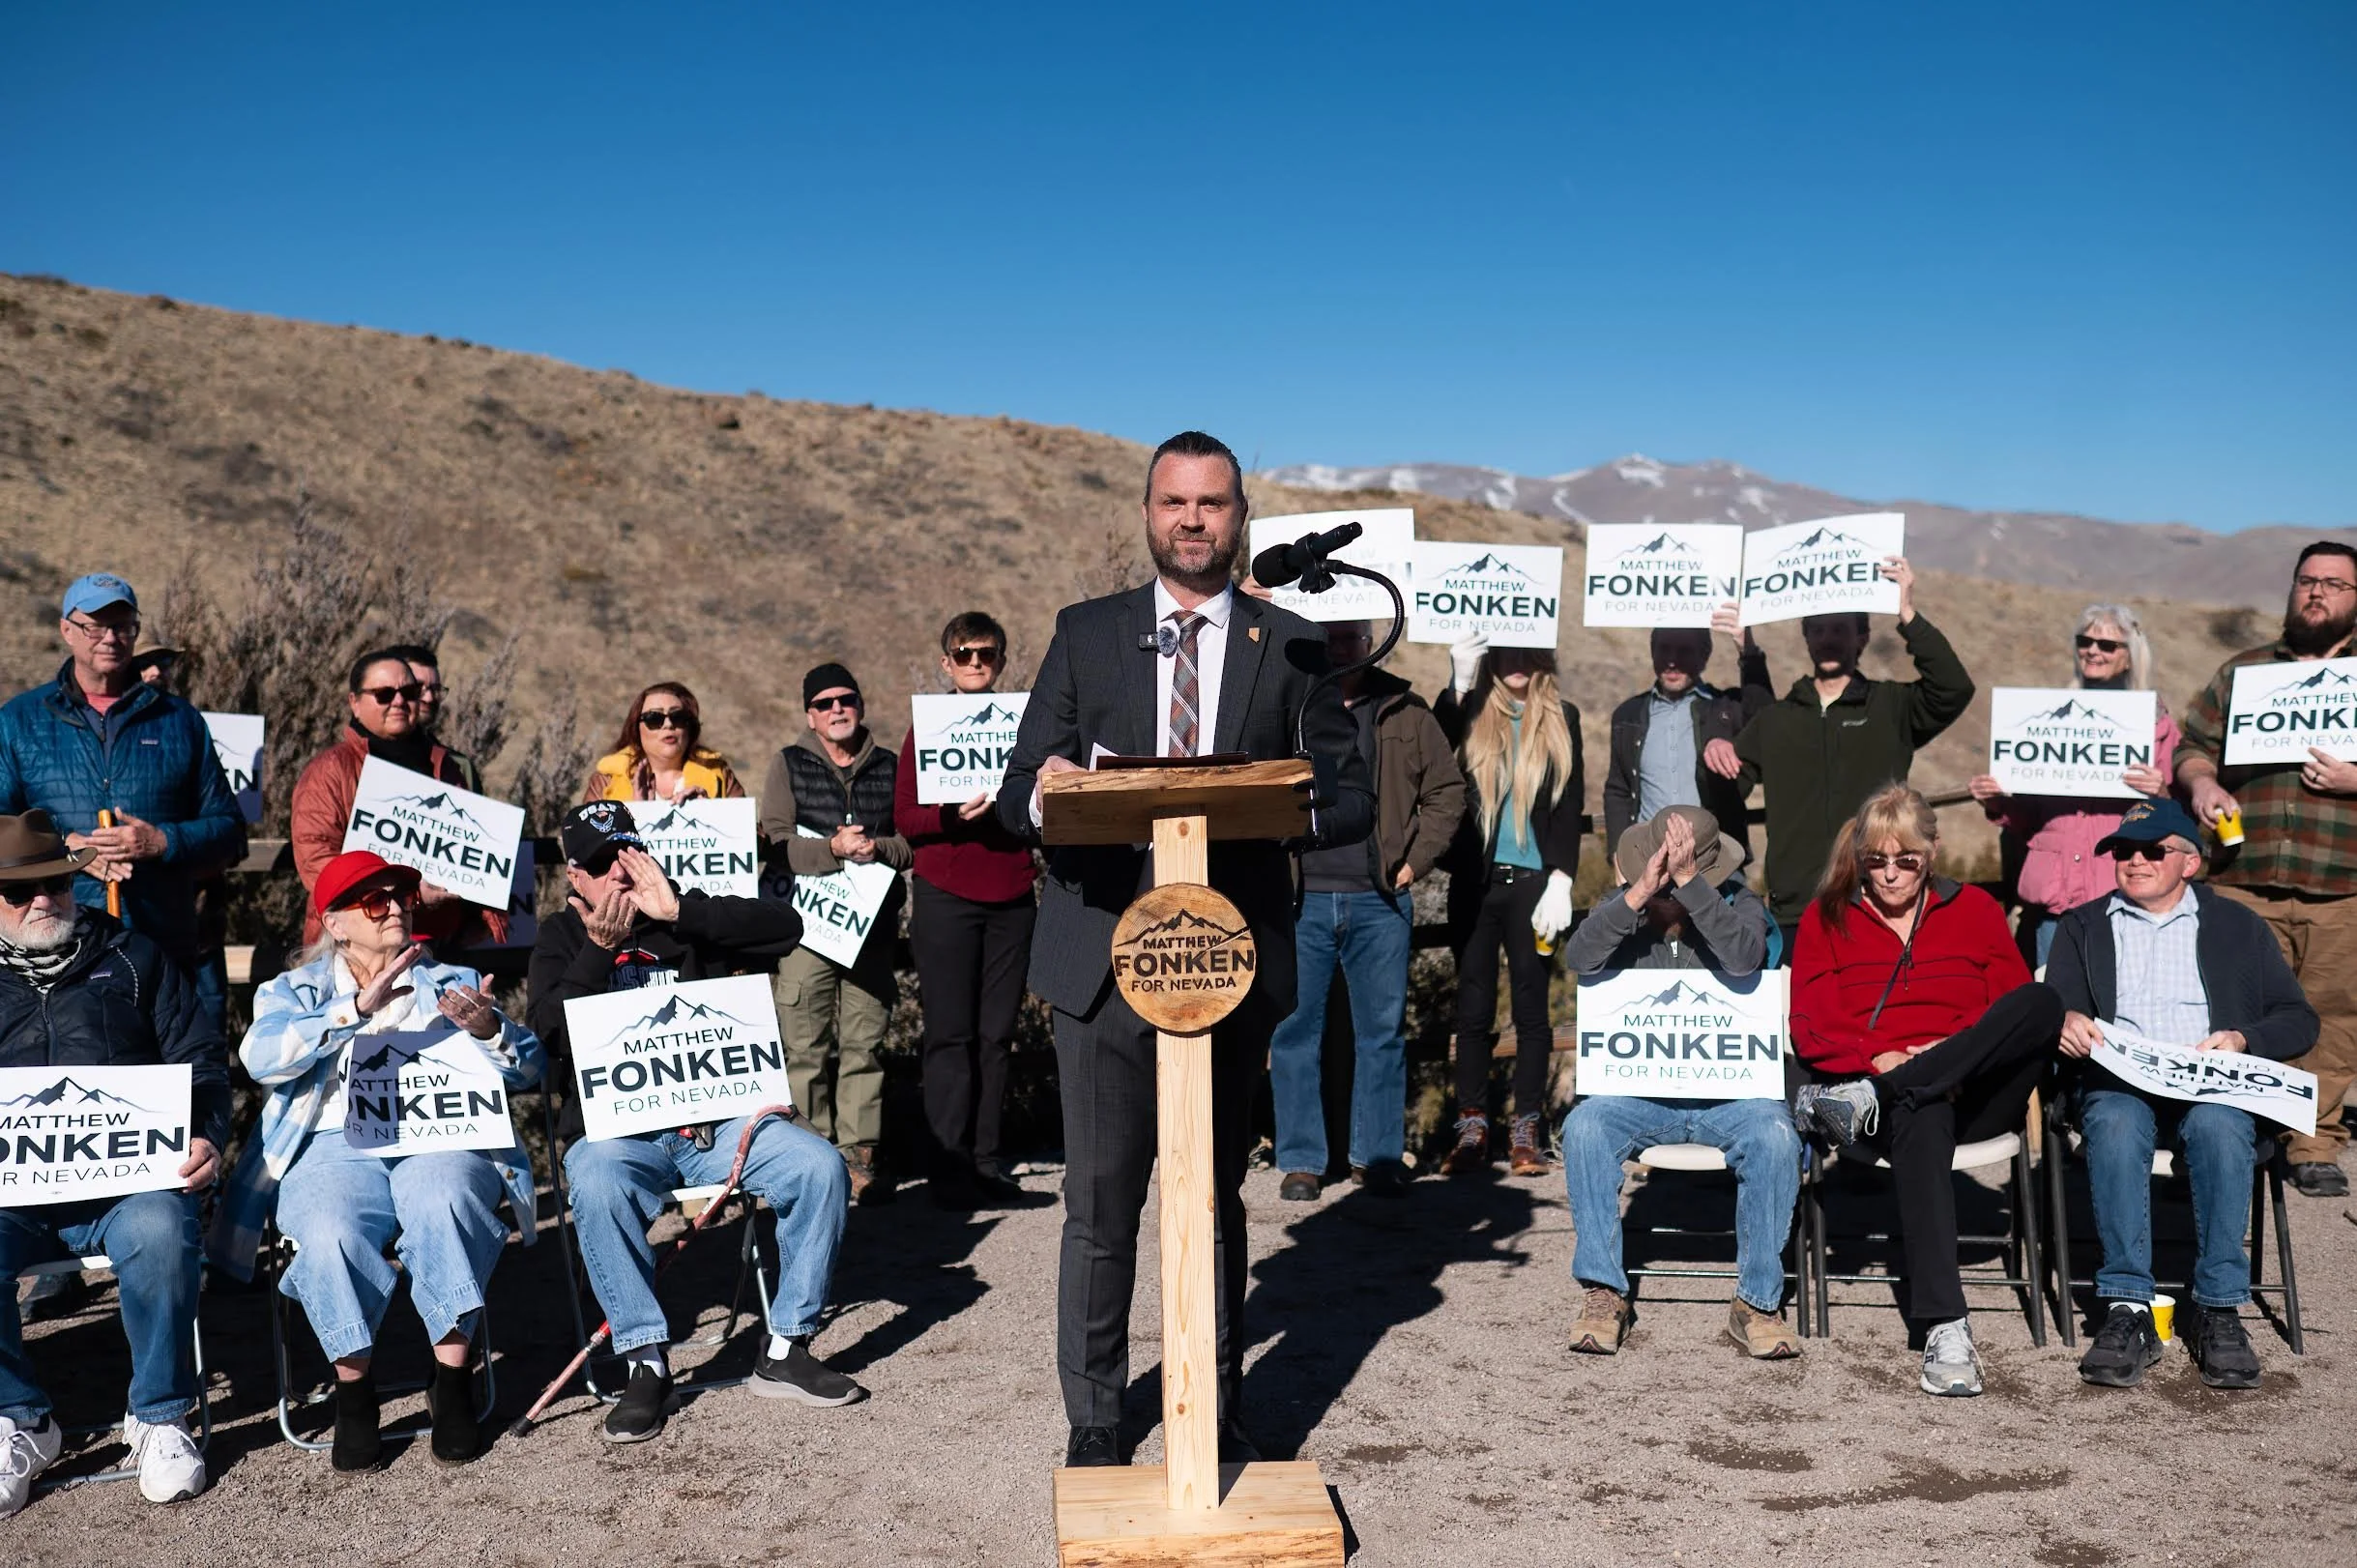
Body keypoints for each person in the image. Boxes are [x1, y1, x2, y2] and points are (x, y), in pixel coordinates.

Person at [997, 429, 1373, 1467]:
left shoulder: (1288, 639)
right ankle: (1096, 1414)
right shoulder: (1085, 632)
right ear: (1147, 511)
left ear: (1239, 515)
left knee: (1208, 1198)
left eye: (1211, 503)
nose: (1192, 520)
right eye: (1174, 502)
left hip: (1223, 958)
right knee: (1101, 1204)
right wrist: (1051, 789)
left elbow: (1345, 799)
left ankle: (1213, 1397)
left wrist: (1271, 806)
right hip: (1101, 958)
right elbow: (1014, 784)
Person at [526, 801, 861, 1443]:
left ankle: (786, 1347)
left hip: (714, 1126)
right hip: (617, 1135)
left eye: (628, 855)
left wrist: (682, 912)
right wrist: (598, 953)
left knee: (818, 1166)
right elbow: (545, 1033)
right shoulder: (559, 937)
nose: (620, 875)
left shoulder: (682, 913)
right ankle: (645, 1361)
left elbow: (785, 928)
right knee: (595, 1183)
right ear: (574, 876)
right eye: (602, 864)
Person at [218, 851, 542, 1470]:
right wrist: (353, 1012)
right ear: (335, 922)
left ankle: (451, 1380)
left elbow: (531, 1069)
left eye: (402, 895)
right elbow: (262, 1057)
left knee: (447, 1198)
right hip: (335, 1143)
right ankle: (354, 1390)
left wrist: (489, 1032)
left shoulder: (451, 980)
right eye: (376, 900)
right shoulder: (291, 990)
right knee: (328, 1228)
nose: (395, 906)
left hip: (436, 1133)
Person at [1789, 785, 2062, 1398]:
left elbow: (2011, 1011)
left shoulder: (1978, 912)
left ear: (1933, 852)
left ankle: (1905, 1083)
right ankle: (1947, 1324)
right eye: (1876, 861)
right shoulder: (1827, 916)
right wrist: (1876, 1058)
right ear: (1859, 858)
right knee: (1922, 1108)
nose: (1889, 875)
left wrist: (1942, 1054)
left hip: (1975, 1091)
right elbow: (1809, 1024)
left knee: (2042, 1002)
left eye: (1905, 860)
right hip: (1885, 1097)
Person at [2046, 798, 2316, 1391]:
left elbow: (2300, 1019)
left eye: (2151, 851)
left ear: (2189, 863)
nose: (2134, 861)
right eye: (2123, 851)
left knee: (2221, 1127)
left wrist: (2244, 1037)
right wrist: (2064, 1019)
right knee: (2115, 1122)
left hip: (2210, 1083)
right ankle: (2126, 1307)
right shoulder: (2083, 926)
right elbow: (2051, 1005)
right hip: (2121, 1080)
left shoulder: (2237, 926)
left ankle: (2219, 1308)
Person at [0, 811, 223, 1513]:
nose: (44, 901)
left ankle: (159, 1415)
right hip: (12, 1193)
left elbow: (201, 1060)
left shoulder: (133, 957)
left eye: (57, 886)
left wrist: (208, 1135)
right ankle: (20, 1419)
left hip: (125, 1188)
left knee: (161, 1229)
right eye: (20, 891)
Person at [1558, 806, 1800, 1358]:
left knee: (1776, 1137)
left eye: (1683, 878)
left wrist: (1693, 889)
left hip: (1732, 1097)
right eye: (1665, 878)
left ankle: (1757, 1302)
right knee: (1586, 1127)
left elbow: (1745, 960)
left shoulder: (1743, 907)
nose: (1670, 892)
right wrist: (1639, 893)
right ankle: (1603, 1291)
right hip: (1641, 1095)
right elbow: (1579, 955)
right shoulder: (1626, 910)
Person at [2175, 541, 2357, 1199]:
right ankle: (2223, 1134)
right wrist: (2199, 785)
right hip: (2242, 877)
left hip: (2342, 883)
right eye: (2307, 580)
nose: (2317, 593)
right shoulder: (2246, 673)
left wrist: (2352, 778)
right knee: (2229, 1009)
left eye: (2334, 584)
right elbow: (2195, 745)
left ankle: (2313, 1142)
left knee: (2333, 1015)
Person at [1264, 618, 1462, 1201]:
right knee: (1294, 1031)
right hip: (1301, 897)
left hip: (1379, 898)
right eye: (1330, 637)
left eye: (1351, 637)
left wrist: (1413, 863)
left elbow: (1447, 792)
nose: (1340, 648)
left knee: (1381, 1035)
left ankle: (1375, 1156)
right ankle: (1302, 1159)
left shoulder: (1405, 712)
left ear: (1370, 643)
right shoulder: (1290, 709)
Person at [0, 573, 247, 1031]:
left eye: (123, 626)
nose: (110, 637)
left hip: (160, 948)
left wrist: (161, 841)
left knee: (169, 1086)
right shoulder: (18, 721)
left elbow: (229, 831)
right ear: (66, 630)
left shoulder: (180, 721)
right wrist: (61, 848)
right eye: (95, 625)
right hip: (52, 953)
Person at [1720, 559, 1974, 953]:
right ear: (1806, 638)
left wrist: (1907, 613)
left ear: (1862, 637)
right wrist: (1716, 747)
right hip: (1795, 911)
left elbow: (1954, 689)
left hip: (1880, 902)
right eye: (1817, 629)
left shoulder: (1892, 707)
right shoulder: (1777, 720)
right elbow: (1723, 790)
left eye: (1840, 629)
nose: (1828, 638)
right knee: (1799, 1016)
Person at [892, 613, 1041, 1209]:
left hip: (1011, 893)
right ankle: (948, 1167)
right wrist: (951, 816)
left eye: (986, 653)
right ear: (945, 662)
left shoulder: (1025, 727)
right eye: (963, 653)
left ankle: (985, 1164)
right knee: (950, 1036)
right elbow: (906, 818)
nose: (975, 662)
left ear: (1002, 660)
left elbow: (1043, 800)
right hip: (946, 895)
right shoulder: (925, 730)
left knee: (996, 1036)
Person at [760, 663, 911, 1203]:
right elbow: (774, 843)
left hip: (870, 930)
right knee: (803, 1045)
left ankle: (859, 1159)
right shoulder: (788, 765)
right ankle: (810, 1159)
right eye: (824, 703)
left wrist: (878, 849)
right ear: (810, 715)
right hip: (806, 930)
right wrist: (831, 850)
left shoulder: (893, 767)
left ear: (861, 705)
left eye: (846, 699)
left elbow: (909, 843)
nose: (837, 708)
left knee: (864, 1044)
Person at [1435, 634, 1584, 1177]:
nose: (1517, 664)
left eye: (1529, 653)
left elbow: (1570, 804)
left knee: (1531, 1011)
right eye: (1507, 653)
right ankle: (1472, 1129)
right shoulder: (1470, 707)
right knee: (1472, 1009)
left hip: (1533, 886)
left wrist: (1563, 877)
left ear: (1545, 658)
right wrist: (1459, 679)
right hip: (1476, 882)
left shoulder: (1563, 717)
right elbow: (1436, 737)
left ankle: (1526, 1131)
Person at [1968, 605, 2179, 967]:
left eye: (2108, 645)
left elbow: (2179, 816)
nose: (2093, 651)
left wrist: (2161, 794)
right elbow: (2030, 821)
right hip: (2054, 904)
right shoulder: (2040, 718)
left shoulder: (2155, 726)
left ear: (2130, 656)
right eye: (2085, 641)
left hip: (2120, 897)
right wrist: (1998, 803)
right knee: (2056, 1010)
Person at [290, 648, 508, 951]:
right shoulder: (329, 772)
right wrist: (402, 893)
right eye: (383, 694)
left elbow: (476, 850)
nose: (398, 702)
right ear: (354, 703)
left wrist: (480, 913)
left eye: (408, 691)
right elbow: (317, 861)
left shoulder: (447, 766)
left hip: (442, 947)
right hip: (360, 947)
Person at [1601, 610, 1771, 864]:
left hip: (1716, 858)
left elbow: (1767, 721)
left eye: (1684, 651)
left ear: (1704, 656)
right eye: (1664, 649)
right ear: (1652, 653)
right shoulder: (1628, 715)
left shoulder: (1725, 708)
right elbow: (1618, 789)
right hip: (1648, 861)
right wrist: (1617, 854)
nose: (1672, 660)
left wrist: (1748, 651)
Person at [583, 682, 748, 803]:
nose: (668, 725)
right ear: (635, 728)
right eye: (654, 718)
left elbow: (752, 837)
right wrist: (635, 813)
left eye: (678, 717)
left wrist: (709, 814)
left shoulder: (719, 773)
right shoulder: (606, 780)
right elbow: (584, 841)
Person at [378, 644, 481, 793]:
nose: (429, 698)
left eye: (435, 689)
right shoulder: (354, 756)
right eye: (418, 688)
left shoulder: (458, 769)